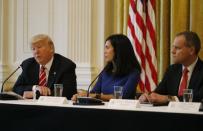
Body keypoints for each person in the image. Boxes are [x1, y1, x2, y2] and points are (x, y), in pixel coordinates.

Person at [139, 31, 203, 104]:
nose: (172, 51)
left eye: (177, 48)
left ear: (191, 50)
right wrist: (148, 96)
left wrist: (169, 98)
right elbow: (159, 92)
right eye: (173, 47)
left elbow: (199, 96)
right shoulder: (172, 70)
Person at [72, 34, 141, 101]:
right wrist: (81, 96)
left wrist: (96, 96)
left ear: (118, 50)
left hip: (124, 111)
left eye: (107, 48)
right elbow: (94, 92)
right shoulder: (105, 71)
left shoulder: (134, 73)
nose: (104, 51)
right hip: (104, 109)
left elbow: (123, 96)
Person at [13, 34, 77, 99]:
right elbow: (16, 88)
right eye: (33, 49)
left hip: (55, 108)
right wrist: (35, 88)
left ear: (51, 48)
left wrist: (35, 94)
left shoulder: (66, 65)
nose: (36, 51)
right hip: (31, 107)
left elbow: (68, 93)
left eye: (39, 47)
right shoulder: (28, 64)